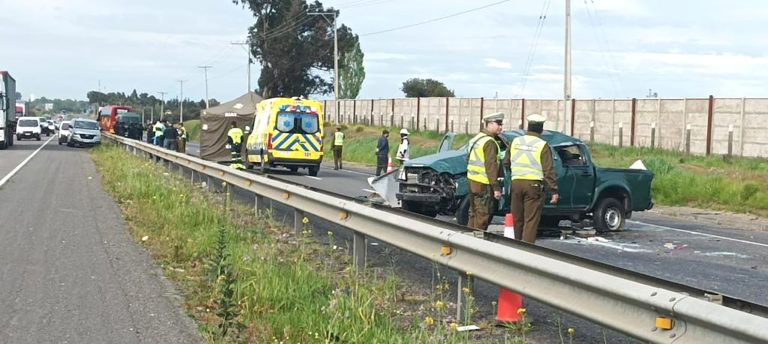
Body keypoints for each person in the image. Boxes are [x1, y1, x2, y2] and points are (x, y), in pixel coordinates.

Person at [509, 113, 559, 243]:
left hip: (516, 183)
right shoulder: (542, 145)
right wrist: (553, 190)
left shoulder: (515, 141)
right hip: (533, 185)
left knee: (517, 218)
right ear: (541, 129)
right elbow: (548, 170)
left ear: (527, 127)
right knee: (530, 220)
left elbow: (505, 162)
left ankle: (515, 246)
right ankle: (527, 250)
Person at [465, 112, 505, 231]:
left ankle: (467, 241)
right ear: (490, 124)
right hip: (483, 183)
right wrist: (496, 188)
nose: (501, 127)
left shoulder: (476, 139)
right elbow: (491, 166)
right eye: (498, 124)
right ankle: (477, 243)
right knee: (483, 215)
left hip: (472, 181)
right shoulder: (489, 142)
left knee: (473, 213)